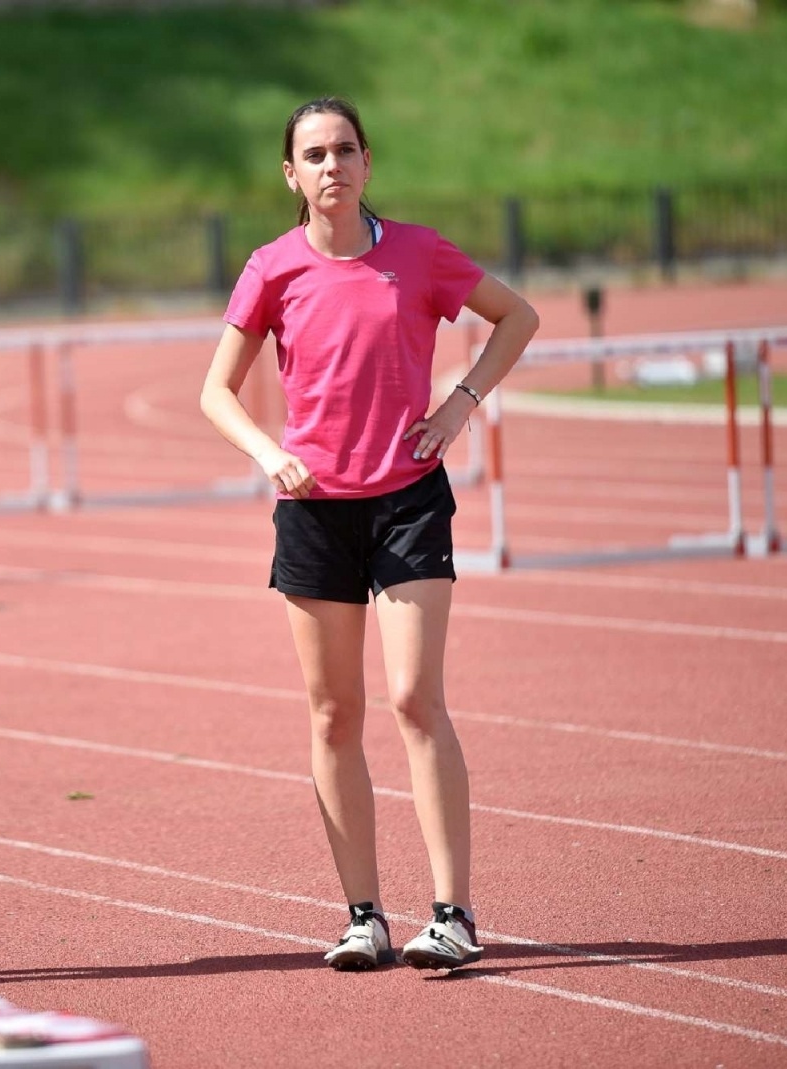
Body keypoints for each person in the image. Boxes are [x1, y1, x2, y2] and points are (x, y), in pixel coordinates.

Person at [200, 98, 539, 972]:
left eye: (345, 150)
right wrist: (270, 454)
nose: (332, 167)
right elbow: (215, 392)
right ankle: (363, 916)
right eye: (313, 155)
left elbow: (517, 318)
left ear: (367, 162)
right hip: (313, 509)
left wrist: (459, 406)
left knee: (414, 696)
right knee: (331, 710)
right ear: (290, 174)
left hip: (408, 499)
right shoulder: (272, 268)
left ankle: (454, 912)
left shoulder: (419, 253)